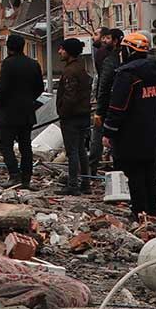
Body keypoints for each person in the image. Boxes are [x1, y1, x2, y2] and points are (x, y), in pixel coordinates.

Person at [102, 32, 156, 221]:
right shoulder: (154, 74)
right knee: (151, 175)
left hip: (130, 136)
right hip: (151, 133)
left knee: (135, 176)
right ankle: (153, 210)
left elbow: (117, 107)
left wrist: (108, 131)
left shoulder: (127, 75)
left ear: (128, 50)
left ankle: (140, 212)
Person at [0, 35, 45, 189]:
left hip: (9, 113)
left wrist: (0, 104)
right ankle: (26, 178)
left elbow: (1, 89)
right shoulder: (33, 64)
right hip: (27, 113)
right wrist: (29, 100)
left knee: (5, 145)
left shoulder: (8, 64)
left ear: (9, 48)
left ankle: (14, 175)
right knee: (25, 146)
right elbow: (39, 88)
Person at [53, 38, 92, 195]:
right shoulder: (80, 67)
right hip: (83, 114)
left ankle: (73, 185)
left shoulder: (70, 71)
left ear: (68, 52)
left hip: (72, 117)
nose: (59, 52)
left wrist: (62, 111)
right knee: (81, 150)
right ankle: (86, 183)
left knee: (72, 151)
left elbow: (70, 95)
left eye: (62, 49)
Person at [90, 28, 122, 170]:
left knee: (98, 135)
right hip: (117, 104)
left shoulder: (107, 57)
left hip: (108, 105)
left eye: (107, 38)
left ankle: (93, 167)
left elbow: (104, 84)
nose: (104, 40)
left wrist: (99, 109)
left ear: (114, 41)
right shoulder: (120, 57)